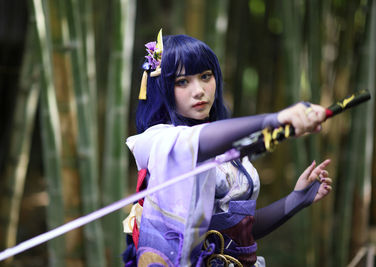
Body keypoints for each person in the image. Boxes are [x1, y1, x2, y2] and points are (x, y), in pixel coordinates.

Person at [122, 30, 332, 267]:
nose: (199, 90)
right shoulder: (156, 141)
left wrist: (297, 199)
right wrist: (276, 119)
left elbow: (239, 233)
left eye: (205, 76)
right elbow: (199, 140)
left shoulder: (225, 143)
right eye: (182, 82)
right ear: (162, 88)